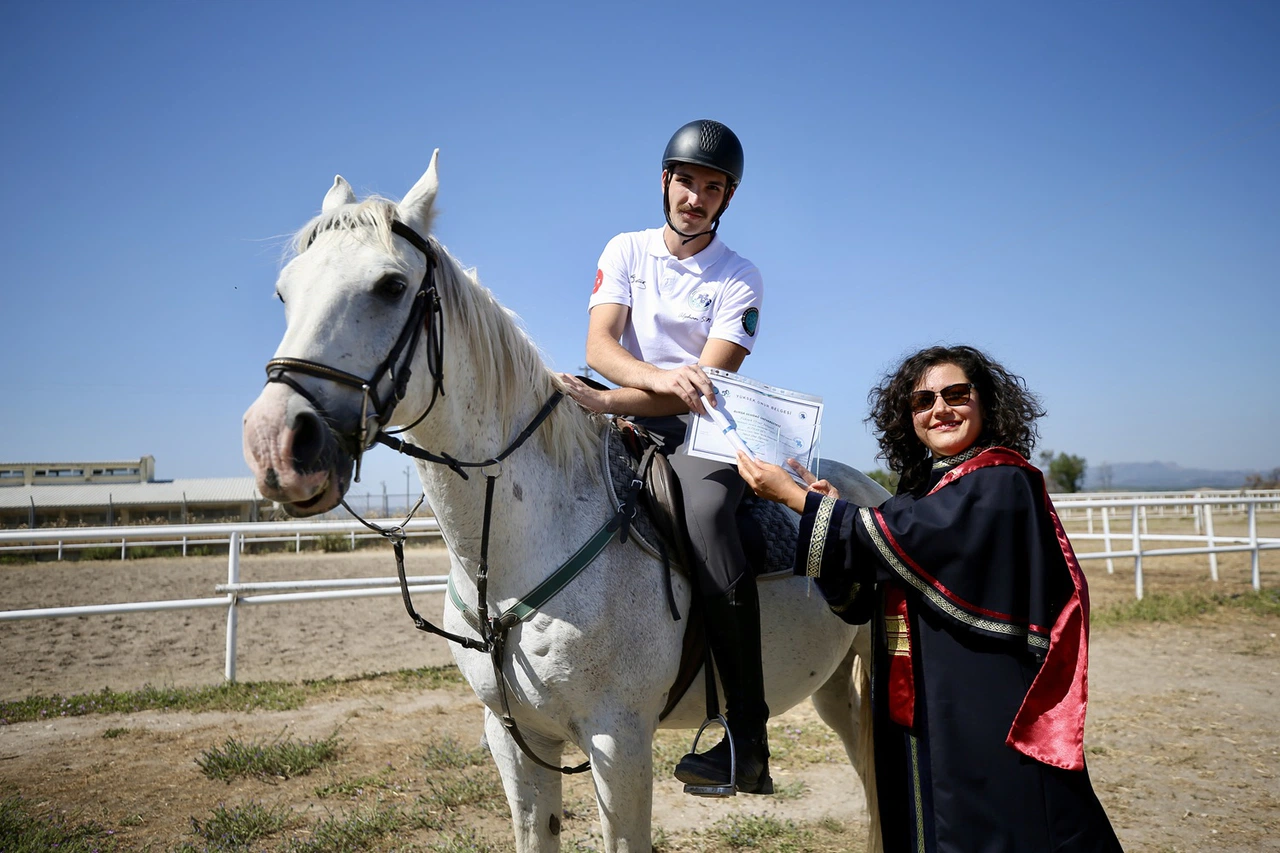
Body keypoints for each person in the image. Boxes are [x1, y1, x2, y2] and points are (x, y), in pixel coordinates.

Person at [736, 345, 1124, 852]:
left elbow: (912, 537)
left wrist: (795, 499)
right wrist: (829, 516)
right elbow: (863, 592)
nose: (940, 409)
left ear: (985, 403)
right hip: (921, 706)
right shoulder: (923, 493)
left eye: (956, 394)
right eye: (922, 402)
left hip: (984, 704)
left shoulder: (1002, 479)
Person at [559, 119, 773, 794]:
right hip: (626, 400)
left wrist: (614, 400)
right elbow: (599, 345)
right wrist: (636, 386)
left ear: (727, 200)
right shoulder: (624, 249)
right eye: (687, 181)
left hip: (698, 430)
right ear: (665, 182)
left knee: (708, 514)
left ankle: (749, 738)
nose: (696, 197)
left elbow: (699, 388)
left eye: (713, 187)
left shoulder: (741, 278)